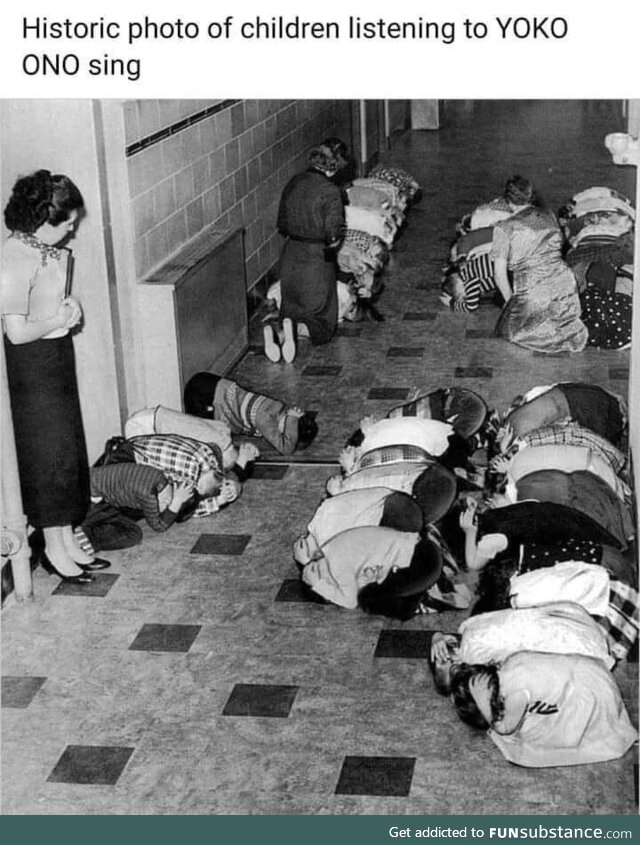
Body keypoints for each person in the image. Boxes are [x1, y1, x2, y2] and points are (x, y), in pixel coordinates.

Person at [1, 169, 108, 583]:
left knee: (65, 453)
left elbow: (46, 306)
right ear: (41, 219)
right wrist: (57, 319)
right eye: (66, 223)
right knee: (46, 458)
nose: (71, 229)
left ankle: (65, 543)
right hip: (31, 369)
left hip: (54, 358)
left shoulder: (42, 249)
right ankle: (52, 550)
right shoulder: (12, 256)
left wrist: (71, 308)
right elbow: (15, 331)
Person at [449, 652, 637, 767]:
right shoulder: (508, 666)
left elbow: (507, 727)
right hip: (587, 670)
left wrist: (498, 726)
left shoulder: (514, 692)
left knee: (555, 737)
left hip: (591, 692)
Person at [491, 175, 588, 353]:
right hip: (564, 285)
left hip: (532, 290)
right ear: (530, 194)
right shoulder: (548, 214)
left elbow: (499, 275)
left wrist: (509, 304)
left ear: (507, 199)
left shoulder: (503, 227)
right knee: (559, 325)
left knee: (510, 330)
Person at [267, 143, 345, 360]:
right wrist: (330, 261)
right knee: (320, 315)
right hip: (316, 255)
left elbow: (281, 224)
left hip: (291, 252)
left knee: (292, 307)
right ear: (333, 166)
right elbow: (333, 233)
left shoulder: (295, 181)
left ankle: (280, 334)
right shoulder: (330, 190)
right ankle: (298, 332)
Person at [183, 371, 318, 455]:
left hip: (210, 383)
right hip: (206, 398)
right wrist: (292, 423)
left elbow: (287, 444)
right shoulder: (265, 418)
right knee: (204, 432)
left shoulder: (276, 410)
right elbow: (286, 448)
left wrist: (292, 419)